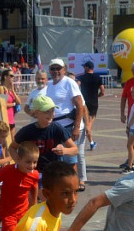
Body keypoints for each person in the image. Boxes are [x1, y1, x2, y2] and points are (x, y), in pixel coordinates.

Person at [45, 58, 87, 190]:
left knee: (71, 158)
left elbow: (80, 105)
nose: (56, 71)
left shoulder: (69, 83)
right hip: (55, 126)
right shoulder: (50, 85)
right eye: (53, 68)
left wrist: (76, 127)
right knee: (58, 157)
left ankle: (73, 184)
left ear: (65, 70)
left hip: (69, 125)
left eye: (59, 68)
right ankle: (63, 184)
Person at [0, 141, 40, 231]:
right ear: (18, 159)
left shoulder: (34, 174)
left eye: (35, 162)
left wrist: (34, 205)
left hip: (23, 211)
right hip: (7, 212)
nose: (32, 166)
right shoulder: (7, 171)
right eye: (28, 162)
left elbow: (34, 187)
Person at [8, 95, 76, 171]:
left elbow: (75, 149)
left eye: (52, 110)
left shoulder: (57, 128)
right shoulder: (27, 131)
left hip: (53, 172)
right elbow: (12, 148)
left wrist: (64, 150)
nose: (51, 114)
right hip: (33, 172)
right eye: (46, 111)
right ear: (36, 113)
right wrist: (19, 161)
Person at [77, 60, 104, 151]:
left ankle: (91, 142)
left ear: (87, 67)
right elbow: (103, 91)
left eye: (84, 67)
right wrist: (97, 96)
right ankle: (91, 143)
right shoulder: (98, 77)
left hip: (84, 103)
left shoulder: (81, 77)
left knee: (86, 124)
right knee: (88, 125)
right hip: (94, 104)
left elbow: (77, 86)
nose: (84, 68)